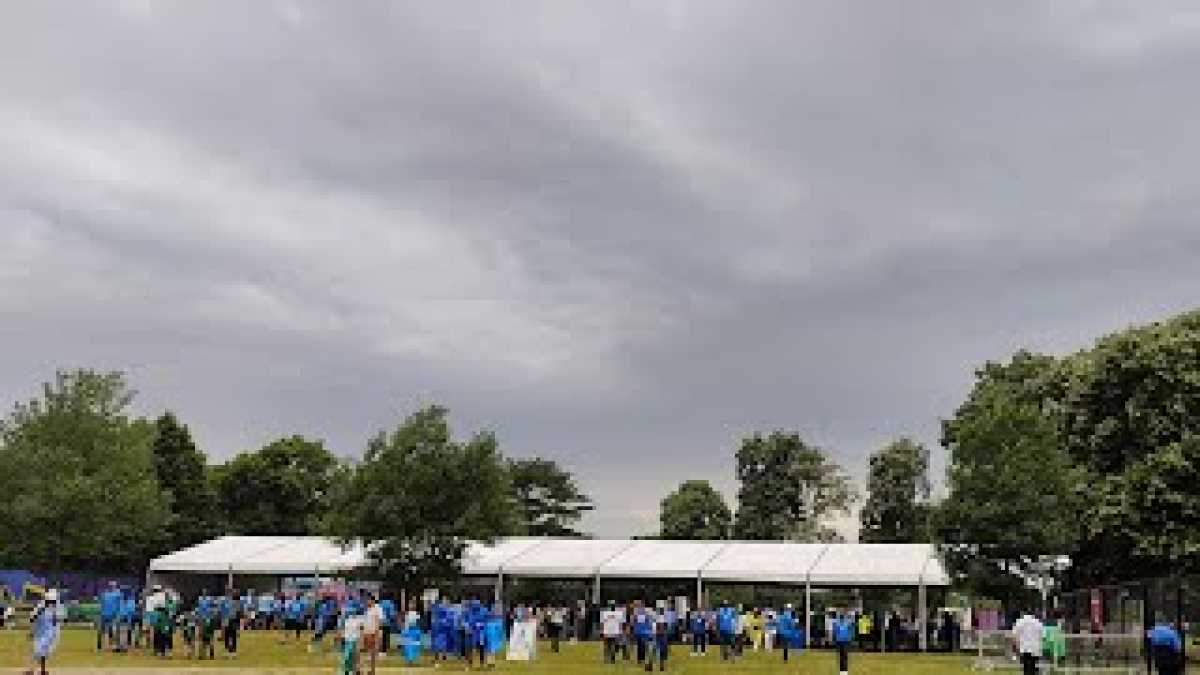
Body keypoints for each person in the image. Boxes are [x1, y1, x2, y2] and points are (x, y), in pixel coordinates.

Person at [26, 589, 60, 675]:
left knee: (44, 653)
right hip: (40, 632)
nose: (52, 602)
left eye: (53, 601)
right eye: (51, 601)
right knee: (37, 651)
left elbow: (56, 622)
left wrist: (55, 635)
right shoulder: (40, 607)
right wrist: (32, 631)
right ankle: (32, 670)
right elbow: (32, 619)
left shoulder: (55, 608)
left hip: (50, 633)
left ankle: (42, 670)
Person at [1011, 610, 1043, 675]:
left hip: (1024, 647)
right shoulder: (1038, 622)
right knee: (1034, 668)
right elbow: (1041, 636)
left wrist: (1015, 648)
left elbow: (1015, 636)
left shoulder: (1019, 622)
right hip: (1035, 648)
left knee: (1025, 667)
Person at [362, 594, 384, 675]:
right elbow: (366, 622)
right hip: (367, 632)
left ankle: (372, 670)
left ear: (372, 600)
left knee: (373, 652)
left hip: (374, 633)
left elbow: (379, 621)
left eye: (368, 600)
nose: (367, 602)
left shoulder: (378, 608)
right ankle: (369, 670)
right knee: (368, 652)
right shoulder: (368, 609)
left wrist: (377, 632)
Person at [97, 581, 122, 651]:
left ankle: (115, 645)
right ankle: (99, 644)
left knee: (114, 631)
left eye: (113, 586)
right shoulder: (104, 594)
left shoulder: (118, 594)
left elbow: (119, 605)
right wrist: (100, 613)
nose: (112, 587)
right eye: (110, 586)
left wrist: (118, 614)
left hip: (113, 615)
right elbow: (101, 604)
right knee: (101, 630)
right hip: (104, 614)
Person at [833, 611, 856, 675]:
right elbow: (851, 630)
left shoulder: (839, 622)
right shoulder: (846, 622)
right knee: (844, 656)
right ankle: (843, 671)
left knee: (842, 656)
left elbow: (835, 631)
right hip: (844, 641)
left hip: (842, 641)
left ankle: (843, 671)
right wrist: (851, 637)